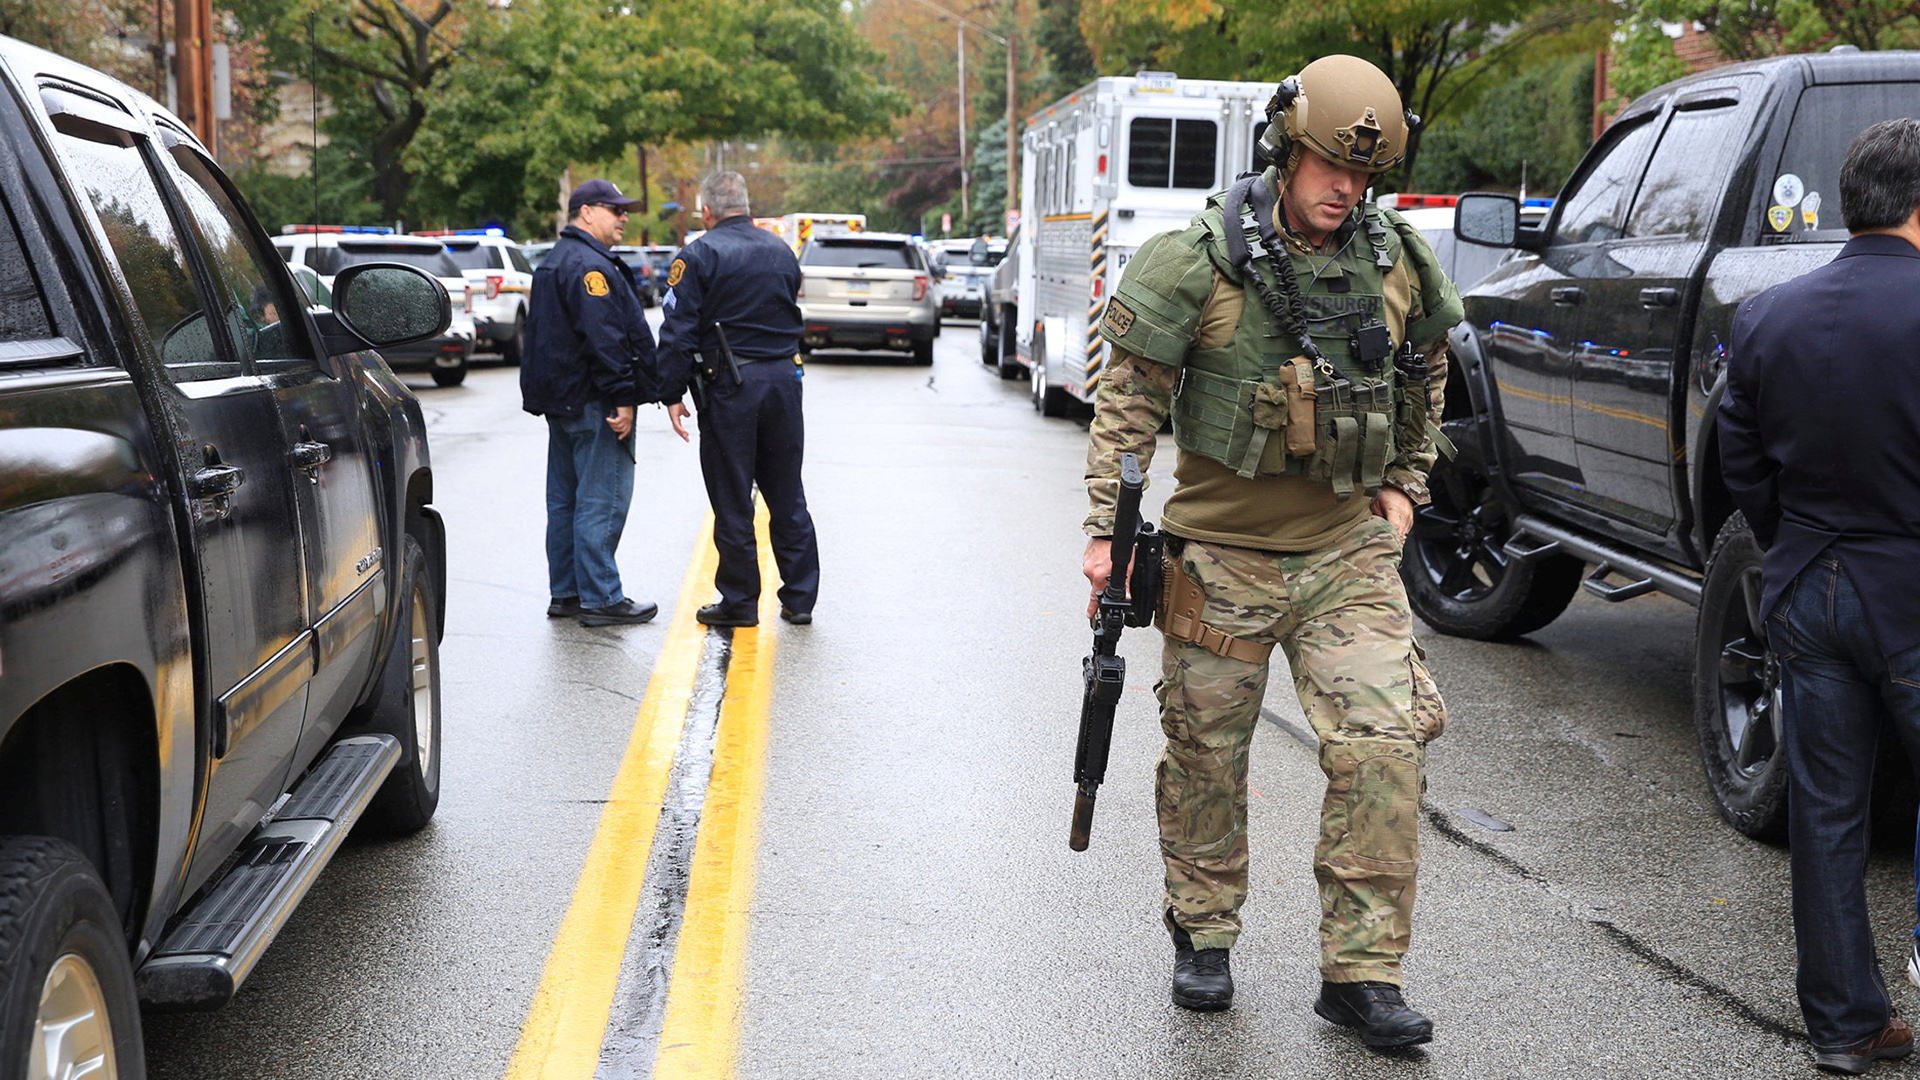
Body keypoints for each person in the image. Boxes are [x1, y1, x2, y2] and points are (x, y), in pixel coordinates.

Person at [1081, 55, 1459, 1050]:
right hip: (1218, 559)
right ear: (1286, 152)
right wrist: (1104, 541)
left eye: (1361, 175)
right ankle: (1204, 938)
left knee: (1382, 748)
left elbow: (1428, 376)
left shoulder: (1397, 261)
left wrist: (1404, 484)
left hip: (1346, 552)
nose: (1345, 187)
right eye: (1328, 165)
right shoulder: (1194, 259)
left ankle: (1362, 971)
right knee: (1208, 755)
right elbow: (1125, 412)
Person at [1719, 117, 1920, 1076]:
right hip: (1910, 588)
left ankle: (1845, 1026)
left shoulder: (1768, 314)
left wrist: (1790, 539)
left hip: (1805, 585)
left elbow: (1738, 458)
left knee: (1828, 815)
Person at [657, 171, 819, 628]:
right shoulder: (781, 250)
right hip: (786, 382)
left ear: (707, 211)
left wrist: (669, 391)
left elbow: (677, 331)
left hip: (731, 387)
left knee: (733, 498)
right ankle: (801, 598)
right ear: (746, 206)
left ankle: (740, 601)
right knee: (787, 492)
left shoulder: (699, 255)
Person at [522, 178, 661, 627]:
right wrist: (624, 398)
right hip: (594, 401)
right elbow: (606, 341)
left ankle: (567, 592)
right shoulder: (590, 267)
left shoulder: (555, 261)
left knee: (564, 501)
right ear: (586, 212)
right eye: (614, 209)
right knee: (601, 500)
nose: (624, 217)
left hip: (561, 402)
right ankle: (602, 597)